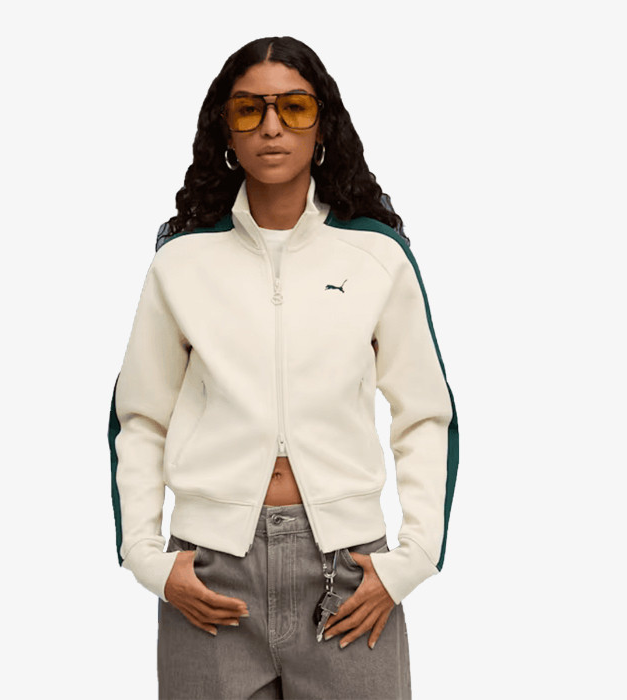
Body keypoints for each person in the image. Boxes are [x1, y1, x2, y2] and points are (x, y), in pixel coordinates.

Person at [108, 35, 459, 700]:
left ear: (323, 125)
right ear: (226, 131)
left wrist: (409, 562)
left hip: (348, 574)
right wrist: (148, 559)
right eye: (250, 110)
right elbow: (140, 418)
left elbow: (425, 414)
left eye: (294, 107)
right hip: (210, 576)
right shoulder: (182, 261)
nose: (272, 127)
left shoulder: (376, 256)